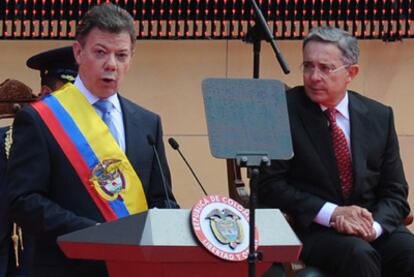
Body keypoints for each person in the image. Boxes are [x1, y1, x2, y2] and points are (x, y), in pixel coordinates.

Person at [6, 3, 178, 276]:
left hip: (134, 268)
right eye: (101, 52)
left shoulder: (147, 122)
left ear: (131, 58)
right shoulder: (41, 119)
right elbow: (23, 201)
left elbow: (161, 200)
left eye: (121, 55)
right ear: (79, 52)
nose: (111, 64)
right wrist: (91, 233)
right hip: (66, 266)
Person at [258, 26, 414, 277]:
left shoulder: (379, 116)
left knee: (410, 253)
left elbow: (395, 192)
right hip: (314, 228)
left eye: (325, 68)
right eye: (308, 66)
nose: (314, 76)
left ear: (351, 73)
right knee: (359, 255)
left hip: (370, 224)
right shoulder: (283, 112)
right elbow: (270, 185)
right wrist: (332, 213)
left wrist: (372, 228)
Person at [0, 47, 78, 277]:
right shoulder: (6, 140)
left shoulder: (93, 150)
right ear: (44, 93)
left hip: (61, 260)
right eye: (69, 95)